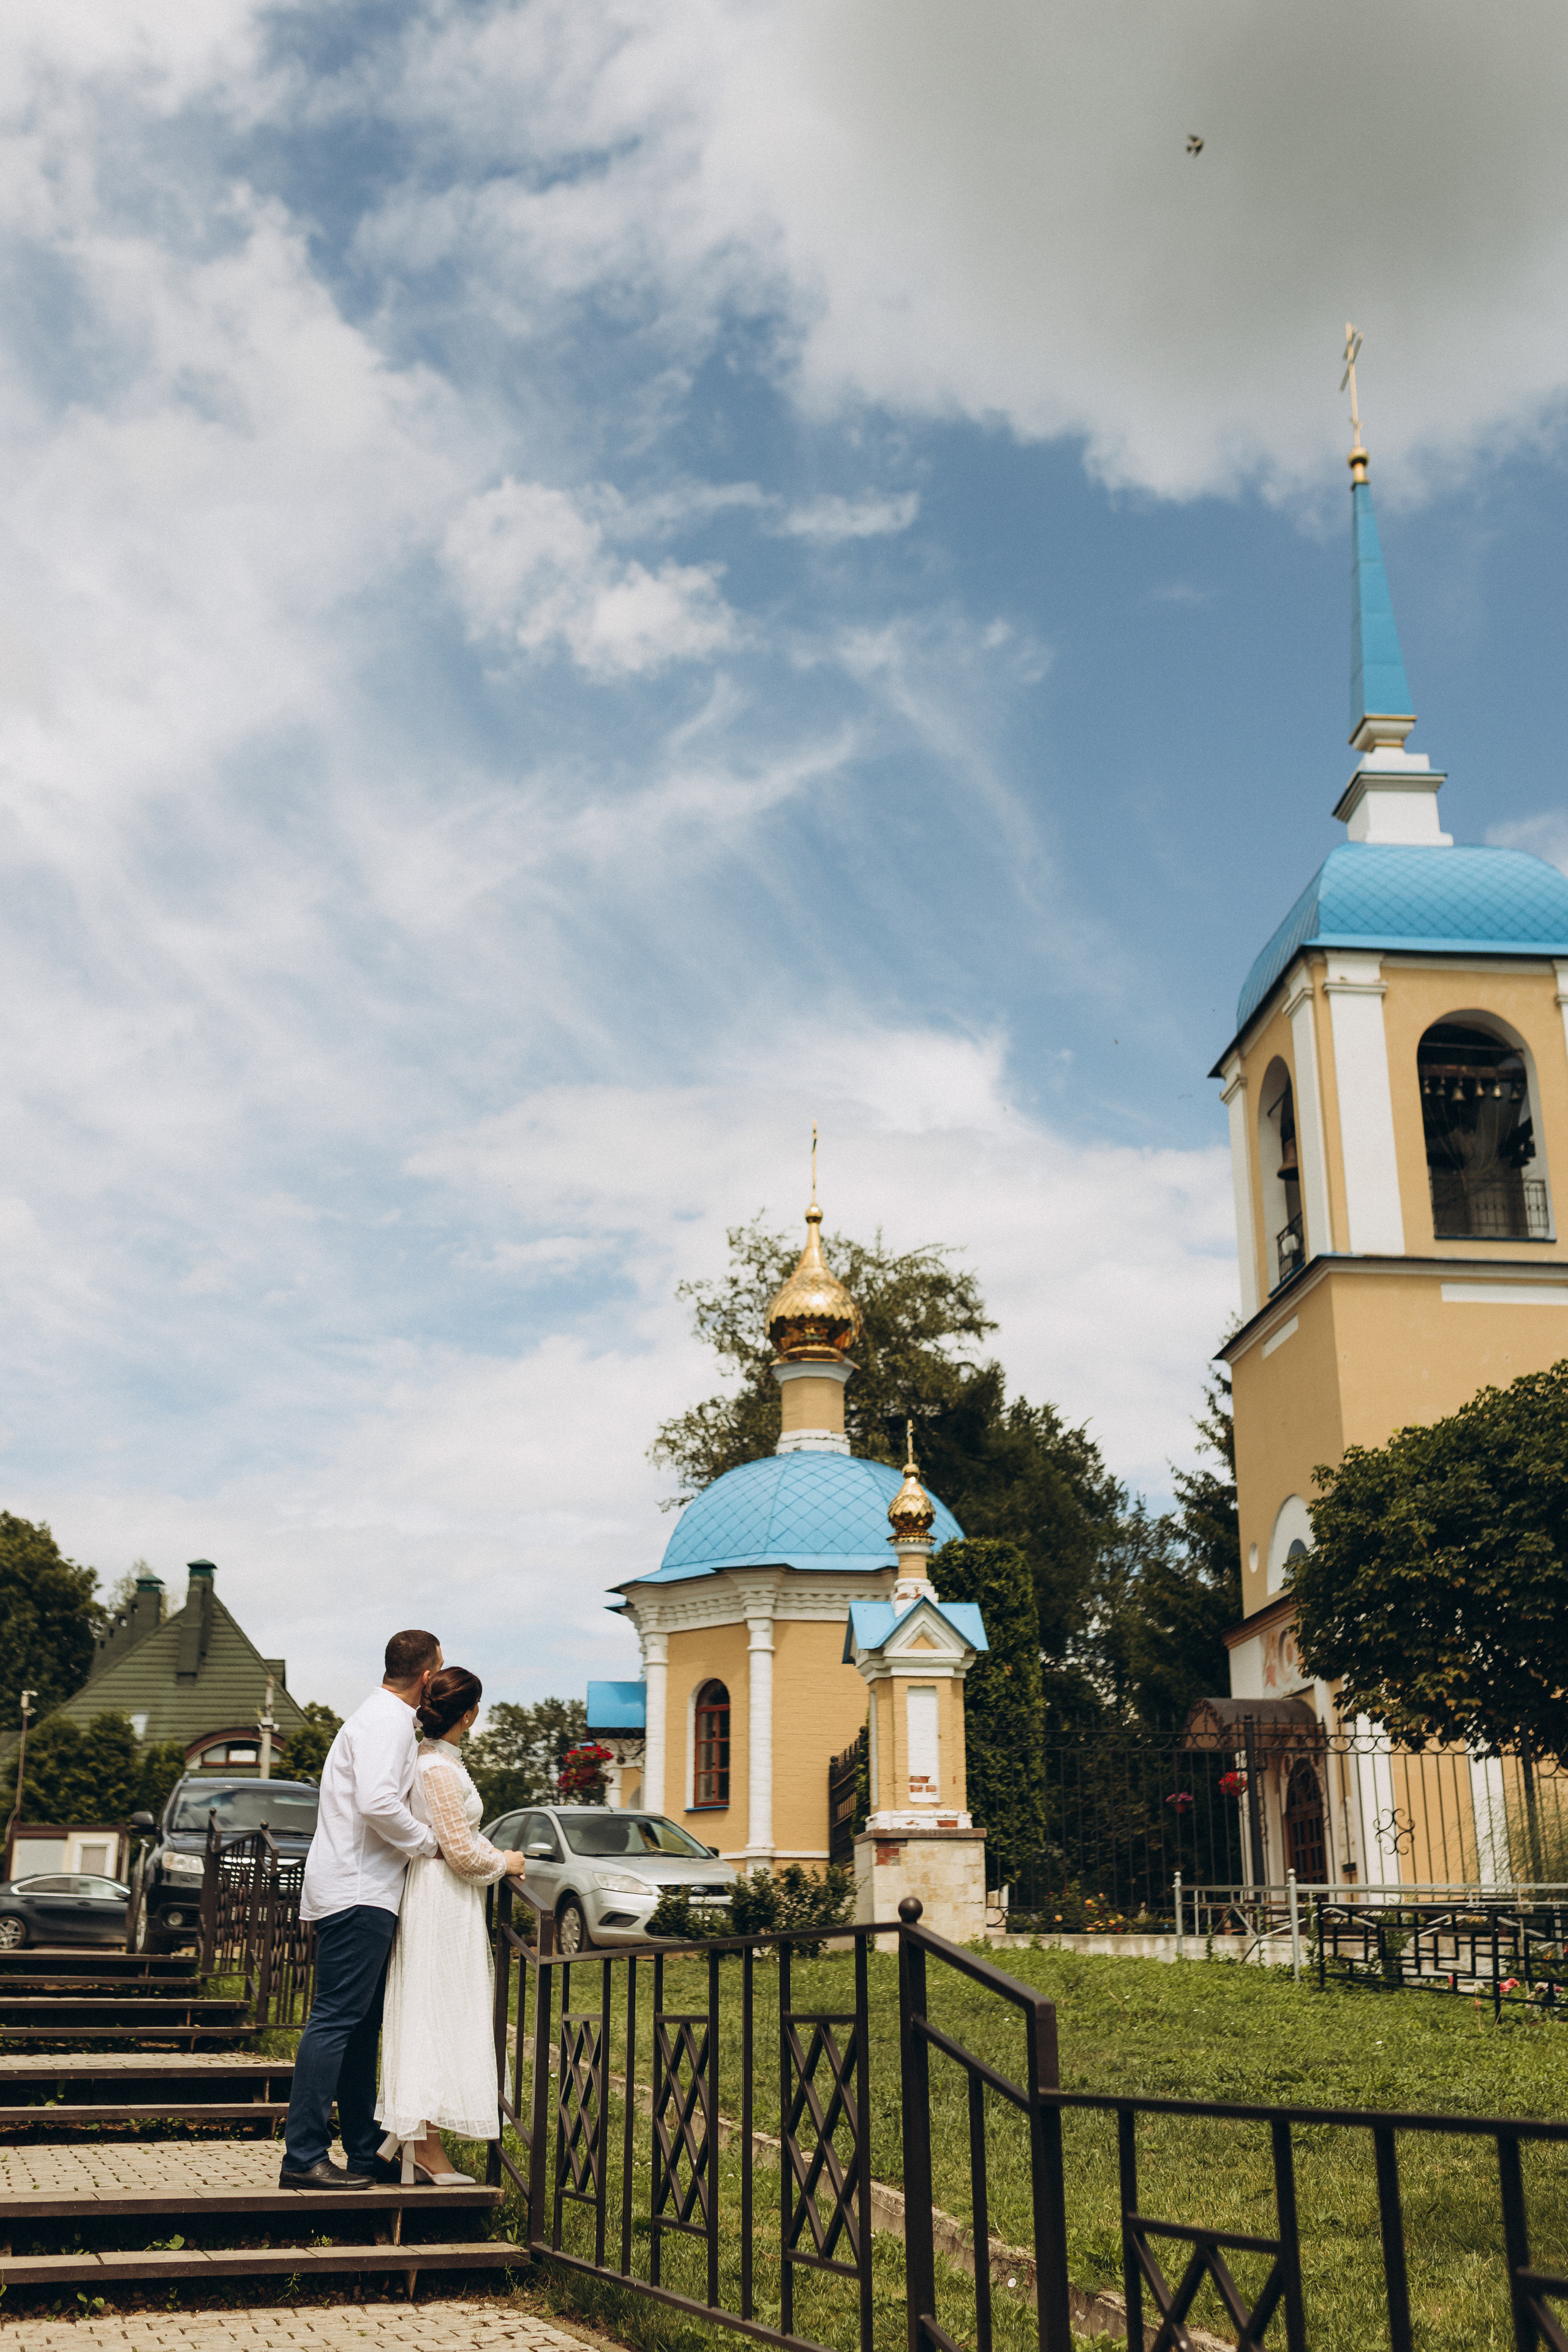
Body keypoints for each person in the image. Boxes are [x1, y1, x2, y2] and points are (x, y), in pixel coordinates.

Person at [280, 1629, 446, 2190]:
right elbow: (378, 1801)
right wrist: (428, 1842)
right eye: (437, 1673)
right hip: (358, 1891)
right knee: (334, 2022)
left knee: (358, 2027)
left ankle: (362, 2150)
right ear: (426, 1678)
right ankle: (303, 2156)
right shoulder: (389, 1722)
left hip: (358, 1889)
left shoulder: (374, 1718)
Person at [375, 1667, 528, 2182]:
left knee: (441, 2008)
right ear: (471, 1713)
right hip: (441, 1899)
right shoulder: (436, 1768)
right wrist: (503, 1863)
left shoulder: (439, 1762)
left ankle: (413, 2138)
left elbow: (457, 1839)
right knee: (435, 2010)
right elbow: (459, 1852)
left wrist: (491, 1854)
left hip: (449, 1898)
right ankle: (424, 2145)